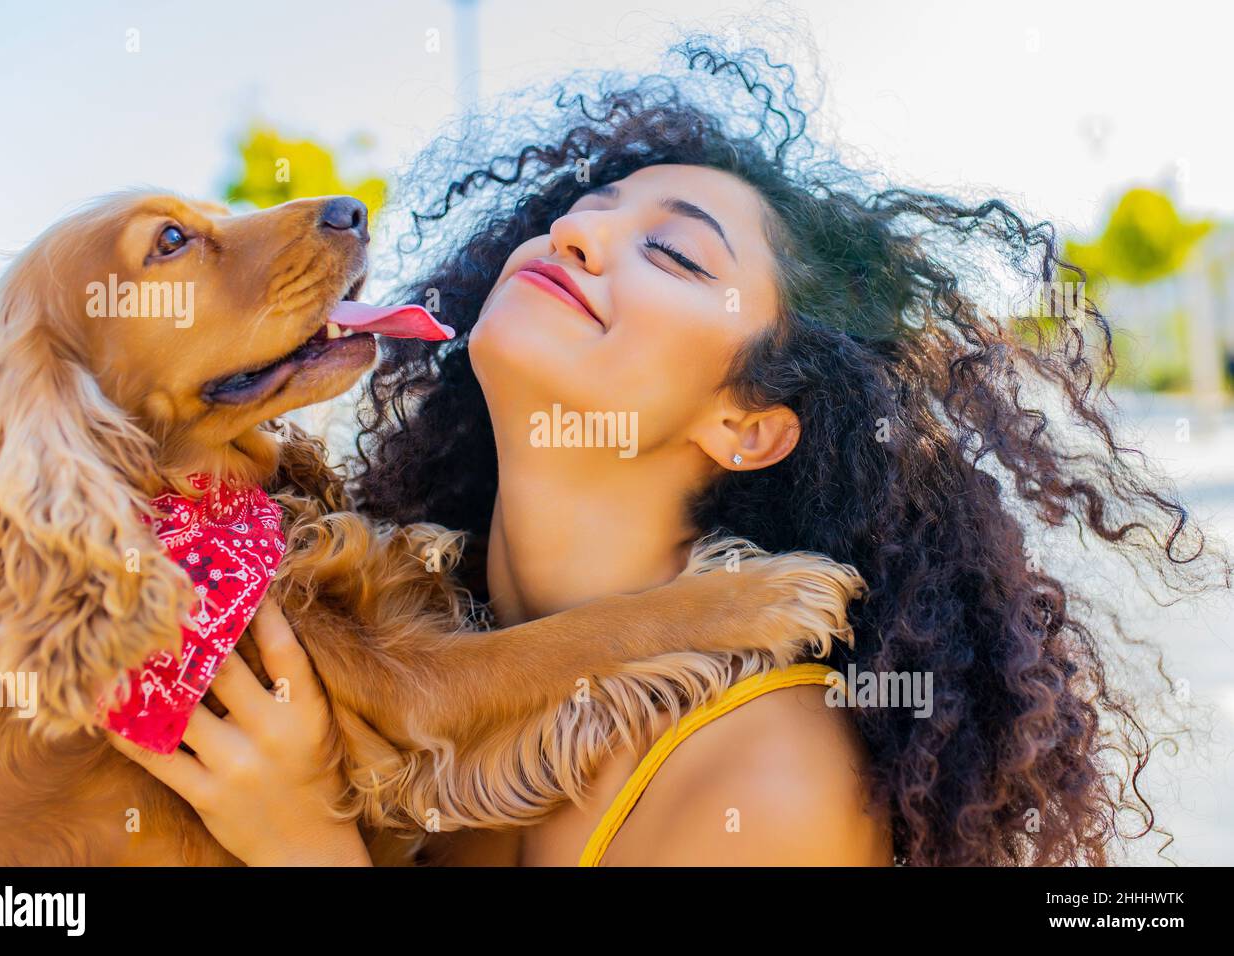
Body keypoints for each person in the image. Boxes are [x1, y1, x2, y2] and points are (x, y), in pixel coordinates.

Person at [115, 37, 1226, 866]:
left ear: (746, 423)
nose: (577, 235)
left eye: (680, 258)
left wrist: (305, 842)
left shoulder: (769, 776)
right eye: (584, 214)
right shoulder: (366, 621)